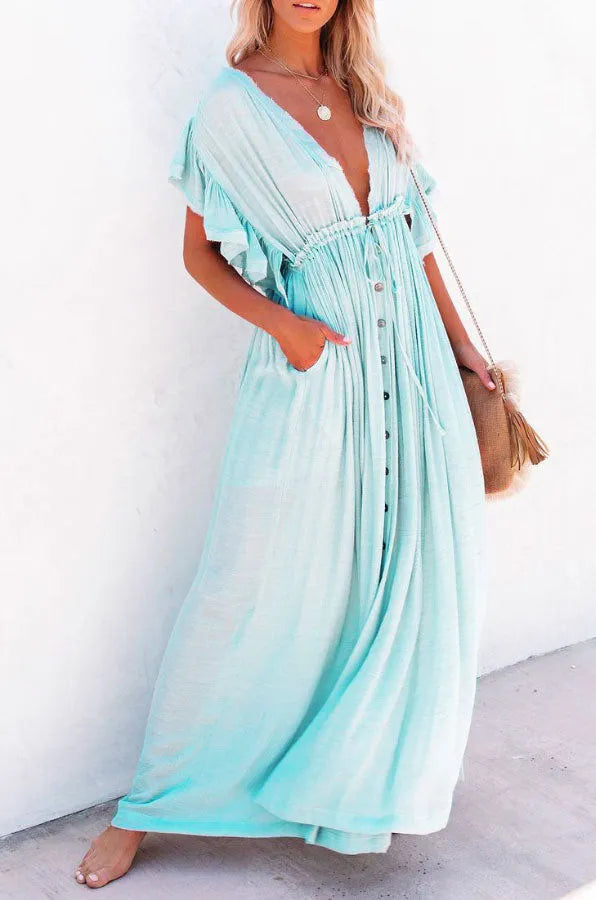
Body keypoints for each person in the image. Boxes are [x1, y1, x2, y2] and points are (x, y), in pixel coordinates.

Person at [75, 0, 494, 888]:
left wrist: (462, 348)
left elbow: (415, 238)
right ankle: (147, 807)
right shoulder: (229, 110)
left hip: (414, 367)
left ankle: (361, 784)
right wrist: (287, 329)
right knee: (254, 585)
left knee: (414, 571)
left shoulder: (363, 89)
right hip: (319, 374)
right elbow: (200, 255)